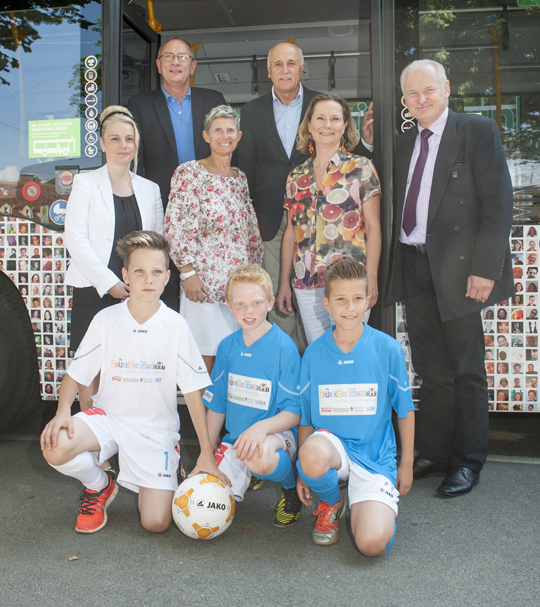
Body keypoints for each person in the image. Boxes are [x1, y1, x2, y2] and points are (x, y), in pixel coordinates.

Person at [40, 231, 228, 535]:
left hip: (154, 432)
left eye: (156, 272)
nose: (148, 280)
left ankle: (171, 467)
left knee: (155, 523)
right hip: (109, 419)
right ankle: (99, 485)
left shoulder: (176, 326)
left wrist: (206, 452)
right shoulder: (106, 319)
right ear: (125, 274)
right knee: (55, 446)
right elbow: (77, 374)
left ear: (168, 277)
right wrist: (63, 412)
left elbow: (194, 393)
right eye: (139, 271)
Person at [386, 60, 513, 498]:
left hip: (462, 272)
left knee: (466, 369)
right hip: (414, 266)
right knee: (430, 369)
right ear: (404, 102)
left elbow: (498, 205)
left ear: (447, 88)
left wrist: (485, 269)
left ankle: (467, 461)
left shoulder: (476, 131)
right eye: (412, 95)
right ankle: (435, 452)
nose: (421, 100)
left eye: (429, 91)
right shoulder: (403, 143)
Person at [237, 42, 374, 349]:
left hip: (328, 225)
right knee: (279, 301)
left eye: (291, 63)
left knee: (331, 307)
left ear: (302, 68)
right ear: (269, 71)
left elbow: (350, 156)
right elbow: (245, 168)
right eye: (278, 64)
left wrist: (366, 141)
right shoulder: (251, 111)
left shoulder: (322, 105)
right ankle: (294, 374)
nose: (285, 70)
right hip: (273, 222)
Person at [295, 258, 414, 554]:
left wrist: (407, 464)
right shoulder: (313, 354)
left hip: (374, 458)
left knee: (371, 545)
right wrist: (302, 470)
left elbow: (405, 410)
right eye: (341, 300)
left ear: (368, 299)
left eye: (358, 299)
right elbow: (306, 418)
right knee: (311, 456)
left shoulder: (387, 349)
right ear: (327, 304)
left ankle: (370, 504)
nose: (350, 308)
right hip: (332, 450)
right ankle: (332, 502)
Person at [65, 105, 163, 409]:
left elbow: (157, 245)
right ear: (103, 143)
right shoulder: (85, 183)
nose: (124, 146)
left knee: (128, 367)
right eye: (115, 139)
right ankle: (94, 443)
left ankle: (124, 434)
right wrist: (109, 283)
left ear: (136, 144)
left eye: (129, 139)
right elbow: (75, 239)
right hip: (95, 288)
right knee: (90, 368)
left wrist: (144, 286)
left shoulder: (150, 189)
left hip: (135, 294)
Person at [128, 37, 226, 309]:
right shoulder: (139, 104)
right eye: (168, 57)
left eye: (182, 57)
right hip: (163, 206)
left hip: (209, 207)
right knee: (165, 277)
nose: (175, 62)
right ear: (158, 65)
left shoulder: (213, 99)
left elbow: (226, 150)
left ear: (193, 65)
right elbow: (137, 162)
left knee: (207, 280)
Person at [203, 265, 303, 527]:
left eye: (256, 303)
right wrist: (205, 451)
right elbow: (217, 405)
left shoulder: (285, 348)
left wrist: (260, 428)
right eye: (240, 304)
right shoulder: (226, 347)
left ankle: (289, 486)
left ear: (270, 303)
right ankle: (248, 467)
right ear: (228, 305)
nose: (248, 311)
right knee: (202, 497)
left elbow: (294, 413)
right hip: (236, 439)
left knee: (258, 457)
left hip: (276, 435)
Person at [165, 106, 263, 373]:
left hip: (237, 289)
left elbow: (249, 230)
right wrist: (187, 274)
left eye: (230, 130)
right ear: (206, 136)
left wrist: (255, 277)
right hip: (203, 287)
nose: (224, 136)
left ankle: (228, 416)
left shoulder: (239, 178)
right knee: (203, 362)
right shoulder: (189, 173)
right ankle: (203, 416)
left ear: (239, 136)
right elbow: (177, 227)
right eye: (217, 130)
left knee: (234, 360)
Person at [277, 93, 381, 345]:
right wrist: (283, 284)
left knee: (351, 353)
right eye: (320, 118)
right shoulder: (295, 177)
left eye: (335, 119)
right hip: (306, 283)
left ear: (344, 126)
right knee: (318, 354)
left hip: (350, 284)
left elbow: (374, 227)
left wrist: (372, 279)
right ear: (309, 126)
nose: (327, 125)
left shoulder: (361, 167)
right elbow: (291, 233)